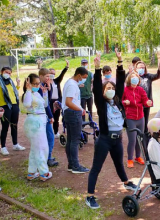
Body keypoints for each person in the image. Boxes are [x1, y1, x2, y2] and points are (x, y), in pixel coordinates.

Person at [86, 51, 138, 209]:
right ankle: (90, 196)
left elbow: (121, 83)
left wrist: (120, 62)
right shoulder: (101, 104)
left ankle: (126, 182)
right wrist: (96, 67)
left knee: (119, 164)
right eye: (107, 88)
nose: (111, 90)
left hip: (118, 139)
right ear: (103, 91)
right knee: (97, 167)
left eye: (112, 88)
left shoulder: (118, 102)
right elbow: (95, 89)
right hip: (104, 140)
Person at [0, 64, 25, 156]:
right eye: (6, 72)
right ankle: (3, 147)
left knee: (14, 125)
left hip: (14, 105)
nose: (8, 74)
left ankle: (15, 144)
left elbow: (13, 92)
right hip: (4, 106)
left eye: (10, 73)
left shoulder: (10, 81)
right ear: (1, 72)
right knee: (5, 127)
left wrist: (18, 85)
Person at [22, 74, 52, 182]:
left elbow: (44, 104)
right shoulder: (28, 94)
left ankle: (32, 172)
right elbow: (26, 104)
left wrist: (44, 93)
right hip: (34, 124)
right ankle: (44, 173)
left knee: (35, 148)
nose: (37, 85)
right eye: (35, 83)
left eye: (38, 83)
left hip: (40, 123)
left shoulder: (36, 93)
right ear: (29, 83)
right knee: (42, 148)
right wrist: (28, 90)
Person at [62, 66, 90, 174]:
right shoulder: (72, 85)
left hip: (70, 113)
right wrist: (80, 109)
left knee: (70, 140)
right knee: (75, 140)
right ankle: (75, 166)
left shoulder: (71, 83)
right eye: (83, 77)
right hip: (73, 113)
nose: (84, 79)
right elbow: (68, 102)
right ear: (78, 75)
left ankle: (71, 164)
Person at [122, 72, 153, 168]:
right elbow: (120, 101)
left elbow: (145, 100)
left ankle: (138, 157)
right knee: (132, 140)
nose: (135, 79)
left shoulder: (140, 89)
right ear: (129, 79)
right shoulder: (125, 90)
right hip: (130, 118)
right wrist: (124, 102)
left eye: (136, 78)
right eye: (133, 77)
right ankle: (130, 159)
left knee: (140, 138)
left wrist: (148, 102)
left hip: (141, 117)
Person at [133, 59, 160, 133]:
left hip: (147, 103)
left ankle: (145, 135)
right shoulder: (133, 78)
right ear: (136, 68)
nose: (141, 69)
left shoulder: (148, 76)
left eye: (143, 67)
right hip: (137, 104)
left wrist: (159, 69)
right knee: (138, 120)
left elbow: (157, 76)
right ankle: (138, 134)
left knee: (145, 120)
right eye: (139, 67)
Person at [38, 68, 58, 167]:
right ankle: (47, 158)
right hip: (43, 115)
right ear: (40, 76)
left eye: (49, 76)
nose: (48, 78)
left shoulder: (44, 86)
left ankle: (48, 156)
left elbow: (48, 101)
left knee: (48, 137)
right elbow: (44, 105)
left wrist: (49, 88)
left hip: (45, 114)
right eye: (46, 76)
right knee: (50, 137)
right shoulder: (39, 88)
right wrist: (50, 116)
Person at [49, 59, 69, 138]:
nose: (52, 75)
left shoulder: (56, 81)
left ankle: (56, 132)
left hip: (57, 101)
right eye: (51, 73)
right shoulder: (45, 82)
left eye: (53, 73)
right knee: (50, 117)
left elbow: (62, 75)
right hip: (49, 102)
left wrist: (66, 67)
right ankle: (50, 132)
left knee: (56, 117)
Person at [79, 58, 94, 123]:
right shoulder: (78, 74)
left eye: (85, 63)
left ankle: (90, 122)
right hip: (82, 95)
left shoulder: (90, 74)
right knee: (82, 110)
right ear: (81, 64)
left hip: (89, 95)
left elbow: (93, 82)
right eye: (83, 63)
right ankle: (83, 122)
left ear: (87, 64)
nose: (84, 64)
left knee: (90, 109)